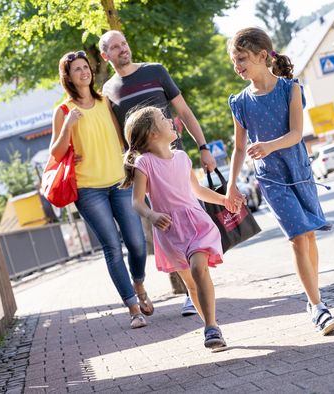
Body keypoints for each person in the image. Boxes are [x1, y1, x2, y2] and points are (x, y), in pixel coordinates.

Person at [225, 28, 334, 336]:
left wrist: (267, 145)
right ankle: (317, 307)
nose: (237, 66)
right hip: (271, 179)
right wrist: (231, 184)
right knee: (297, 236)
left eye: (241, 58)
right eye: (233, 60)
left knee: (310, 236)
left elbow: (296, 134)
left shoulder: (290, 89)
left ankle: (316, 298)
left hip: (298, 170)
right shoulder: (240, 102)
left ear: (263, 56)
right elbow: (238, 148)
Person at [99, 30, 217, 316]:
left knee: (189, 214)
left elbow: (185, 112)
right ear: (106, 56)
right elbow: (120, 138)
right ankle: (191, 288)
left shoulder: (155, 71)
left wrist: (203, 147)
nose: (122, 50)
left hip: (174, 160)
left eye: (124, 43)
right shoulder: (108, 91)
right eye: (115, 48)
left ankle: (197, 286)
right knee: (168, 227)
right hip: (148, 171)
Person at [121, 106, 243, 350]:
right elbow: (137, 201)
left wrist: (224, 200)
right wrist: (152, 215)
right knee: (191, 284)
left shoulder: (182, 158)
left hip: (196, 223)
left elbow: (196, 191)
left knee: (200, 270)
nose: (169, 121)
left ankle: (210, 327)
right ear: (152, 134)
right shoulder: (145, 163)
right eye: (163, 119)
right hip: (170, 231)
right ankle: (211, 325)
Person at [50, 50, 153, 329]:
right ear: (68, 77)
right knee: (112, 247)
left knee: (136, 242)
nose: (84, 72)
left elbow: (123, 139)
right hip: (88, 189)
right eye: (77, 70)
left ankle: (139, 284)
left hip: (120, 182)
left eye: (86, 68)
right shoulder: (63, 112)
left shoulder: (106, 102)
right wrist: (68, 128)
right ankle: (133, 308)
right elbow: (57, 153)